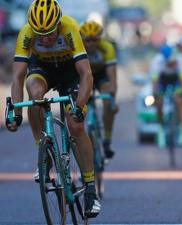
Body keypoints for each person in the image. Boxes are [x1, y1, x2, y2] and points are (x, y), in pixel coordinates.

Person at [6, 0, 101, 218]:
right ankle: (44, 153)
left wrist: (79, 106)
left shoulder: (69, 28)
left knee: (75, 125)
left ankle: (90, 188)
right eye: (40, 35)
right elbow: (18, 76)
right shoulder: (27, 33)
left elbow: (86, 74)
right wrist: (16, 114)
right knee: (35, 94)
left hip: (71, 73)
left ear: (58, 23)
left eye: (49, 33)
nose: (46, 39)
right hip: (43, 69)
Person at [80, 21, 119, 159]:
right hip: (84, 77)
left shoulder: (107, 48)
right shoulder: (77, 48)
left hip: (101, 76)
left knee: (108, 102)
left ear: (100, 39)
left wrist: (112, 99)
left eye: (95, 40)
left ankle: (107, 141)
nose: (91, 44)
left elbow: (112, 76)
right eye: (87, 40)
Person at [150, 44, 182, 148]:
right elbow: (155, 83)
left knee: (179, 100)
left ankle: (181, 130)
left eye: (175, 63)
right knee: (158, 101)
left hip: (175, 81)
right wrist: (156, 94)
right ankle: (161, 129)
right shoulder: (157, 61)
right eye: (171, 63)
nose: (173, 65)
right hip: (162, 81)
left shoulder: (180, 60)